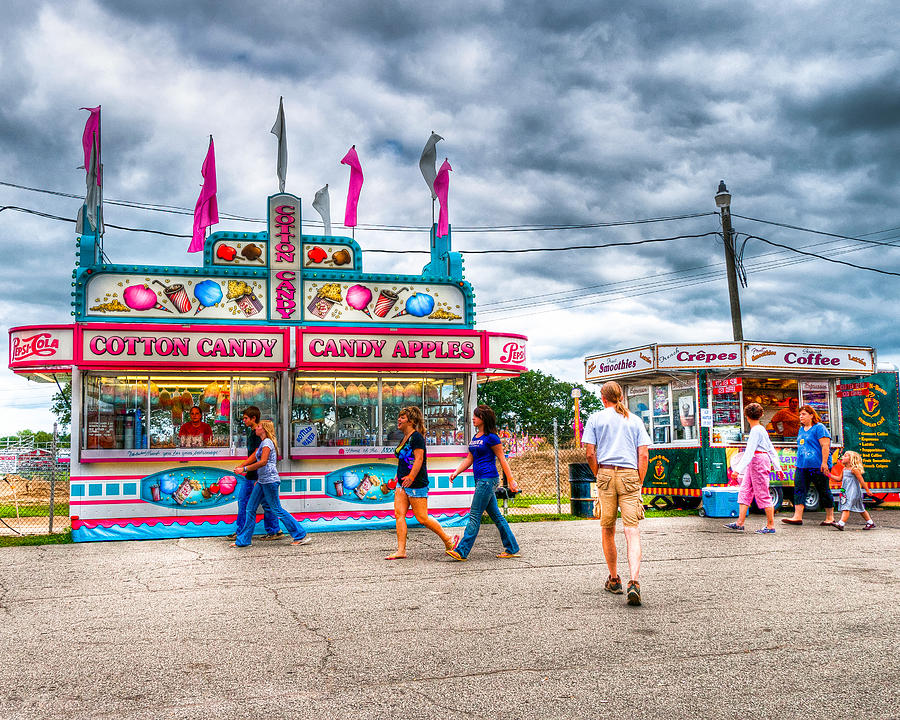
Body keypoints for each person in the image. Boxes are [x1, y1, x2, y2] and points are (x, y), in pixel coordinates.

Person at [582, 381, 650, 607]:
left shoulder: (596, 419)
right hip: (630, 474)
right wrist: (638, 481)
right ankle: (634, 581)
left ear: (603, 398)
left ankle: (614, 579)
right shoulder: (635, 420)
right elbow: (643, 455)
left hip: (606, 474)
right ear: (620, 396)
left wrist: (598, 473)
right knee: (632, 531)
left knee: (608, 528)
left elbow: (590, 454)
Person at [446, 405, 520, 561]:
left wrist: (511, 480)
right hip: (480, 480)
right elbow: (469, 459)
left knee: (474, 516)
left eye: (476, 416)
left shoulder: (492, 437)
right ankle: (512, 548)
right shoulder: (476, 437)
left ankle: (462, 551)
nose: (473, 418)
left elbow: (502, 459)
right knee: (497, 516)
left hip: (488, 480)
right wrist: (456, 472)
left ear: (483, 418)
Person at [385, 406, 459, 560]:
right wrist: (398, 478)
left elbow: (419, 459)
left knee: (422, 517)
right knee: (399, 514)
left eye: (403, 417)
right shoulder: (404, 437)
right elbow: (404, 460)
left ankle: (448, 540)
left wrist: (411, 477)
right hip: (401, 483)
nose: (399, 420)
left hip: (416, 483)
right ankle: (401, 551)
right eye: (399, 417)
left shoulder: (417, 437)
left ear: (411, 421)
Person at [230, 420, 311, 548]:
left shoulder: (267, 443)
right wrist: (259, 478)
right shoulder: (264, 442)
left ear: (264, 429)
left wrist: (244, 469)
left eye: (258, 426)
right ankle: (243, 541)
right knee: (250, 509)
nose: (256, 428)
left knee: (276, 509)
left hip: (269, 481)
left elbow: (263, 462)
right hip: (263, 481)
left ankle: (300, 535)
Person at [723, 403, 784, 534]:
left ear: (746, 416)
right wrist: (777, 467)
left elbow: (749, 452)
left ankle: (771, 525)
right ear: (761, 415)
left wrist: (738, 470)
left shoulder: (755, 431)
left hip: (757, 461)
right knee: (745, 490)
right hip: (759, 460)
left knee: (762, 493)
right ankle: (740, 522)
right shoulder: (761, 429)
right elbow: (771, 449)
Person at [227, 406, 280, 541]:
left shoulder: (259, 433)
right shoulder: (253, 433)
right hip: (254, 474)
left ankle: (243, 532)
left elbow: (257, 455)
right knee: (264, 503)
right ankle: (273, 530)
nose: (244, 420)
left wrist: (243, 466)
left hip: (256, 474)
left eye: (246, 418)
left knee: (246, 502)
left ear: (253, 418)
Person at [782, 405, 836, 526]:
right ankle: (797, 516)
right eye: (800, 414)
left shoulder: (819, 428)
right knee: (799, 489)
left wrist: (824, 462)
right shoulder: (801, 430)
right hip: (802, 465)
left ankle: (830, 517)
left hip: (818, 465)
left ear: (811, 415)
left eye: (804, 414)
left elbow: (825, 445)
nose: (801, 417)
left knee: (823, 490)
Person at [832, 451, 876, 530]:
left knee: (846, 507)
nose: (842, 457)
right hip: (846, 491)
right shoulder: (844, 469)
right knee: (861, 508)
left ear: (851, 459)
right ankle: (870, 522)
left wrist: (867, 490)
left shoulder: (854, 470)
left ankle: (841, 524)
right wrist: (828, 475)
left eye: (845, 456)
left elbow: (861, 480)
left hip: (853, 492)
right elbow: (839, 479)